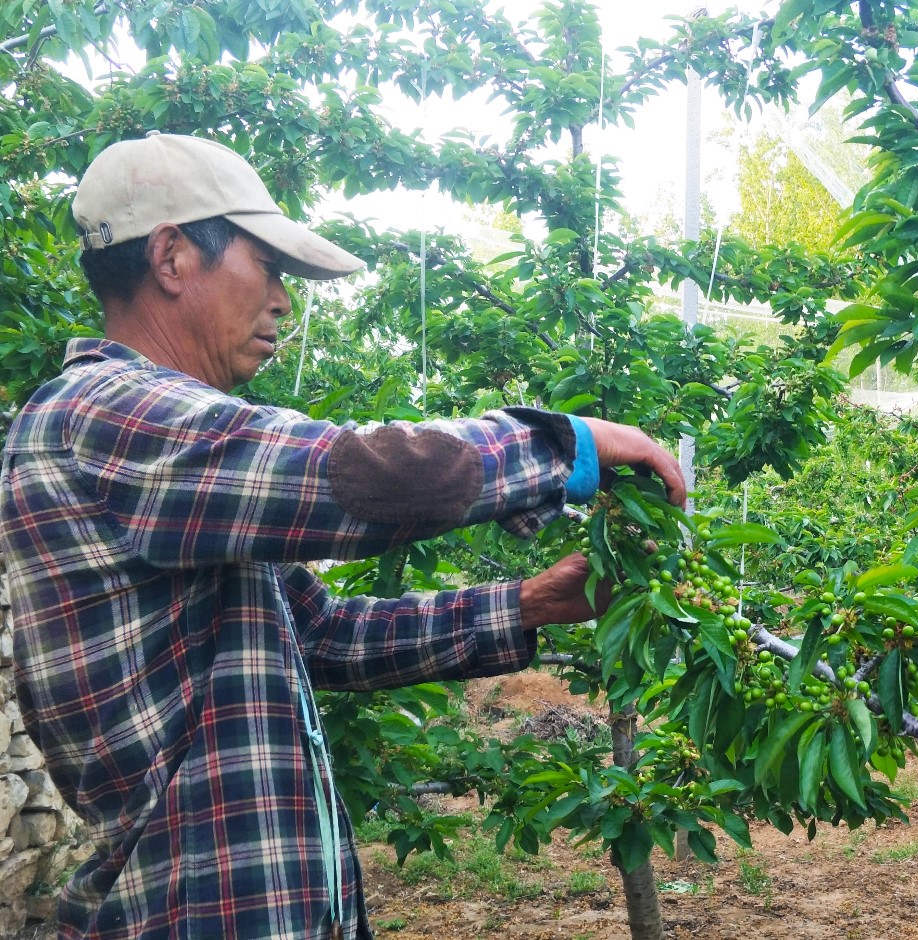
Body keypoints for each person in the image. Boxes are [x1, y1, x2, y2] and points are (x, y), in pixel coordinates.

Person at [0, 132, 685, 940]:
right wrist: (563, 445)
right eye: (270, 268)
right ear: (173, 256)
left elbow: (322, 632)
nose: (284, 301)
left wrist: (530, 604)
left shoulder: (178, 475)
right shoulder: (101, 413)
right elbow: (351, 478)